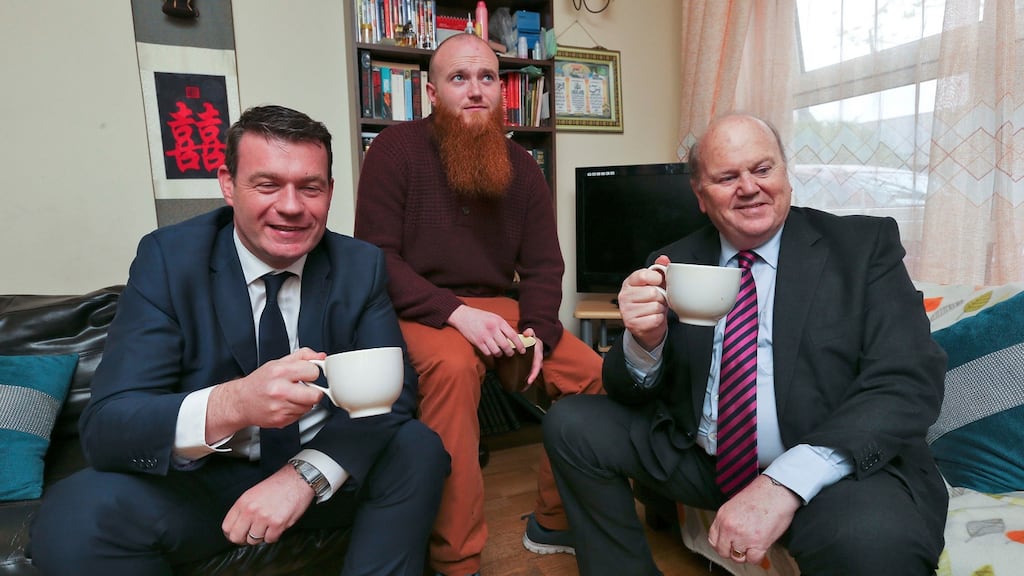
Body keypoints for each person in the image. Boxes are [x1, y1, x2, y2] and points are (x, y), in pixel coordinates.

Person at [29, 105, 449, 576]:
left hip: (325, 472)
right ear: (228, 183)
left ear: (330, 192)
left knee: (417, 448)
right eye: (267, 184)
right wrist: (235, 404)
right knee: (73, 517)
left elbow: (393, 397)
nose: (291, 206)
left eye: (310, 187)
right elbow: (107, 426)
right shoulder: (169, 260)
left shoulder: (360, 265)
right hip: (207, 481)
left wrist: (304, 475)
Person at [543, 113, 950, 575]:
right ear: (700, 196)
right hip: (703, 456)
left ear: (785, 173)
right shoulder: (674, 261)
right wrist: (644, 343)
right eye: (726, 177)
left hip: (824, 464)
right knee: (571, 424)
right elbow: (624, 388)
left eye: (762, 169)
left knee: (873, 547)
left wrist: (784, 482)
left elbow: (908, 379)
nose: (749, 187)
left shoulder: (862, 247)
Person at [353, 33, 604, 576]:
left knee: (592, 373)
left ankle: (552, 521)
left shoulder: (522, 166)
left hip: (498, 307)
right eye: (458, 78)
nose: (474, 90)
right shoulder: (393, 150)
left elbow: (543, 267)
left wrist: (536, 330)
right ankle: (456, 559)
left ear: (501, 90)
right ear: (431, 91)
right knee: (451, 367)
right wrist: (455, 313)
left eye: (487, 78)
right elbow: (375, 259)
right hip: (418, 307)